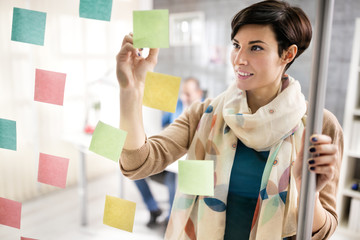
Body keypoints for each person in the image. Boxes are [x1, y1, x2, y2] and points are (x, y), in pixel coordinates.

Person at [116, 1, 343, 239]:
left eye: (255, 48)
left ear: (288, 54)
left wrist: (310, 194)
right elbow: (137, 164)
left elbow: (323, 231)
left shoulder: (320, 125)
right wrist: (131, 89)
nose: (239, 59)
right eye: (236, 45)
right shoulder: (205, 114)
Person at [133, 77, 204, 228]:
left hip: (192, 167)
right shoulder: (179, 105)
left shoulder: (207, 109)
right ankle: (153, 209)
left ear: (199, 93)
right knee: (135, 169)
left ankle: (172, 221)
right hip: (171, 159)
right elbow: (157, 124)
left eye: (188, 94)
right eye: (182, 94)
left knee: (173, 179)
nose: (184, 97)